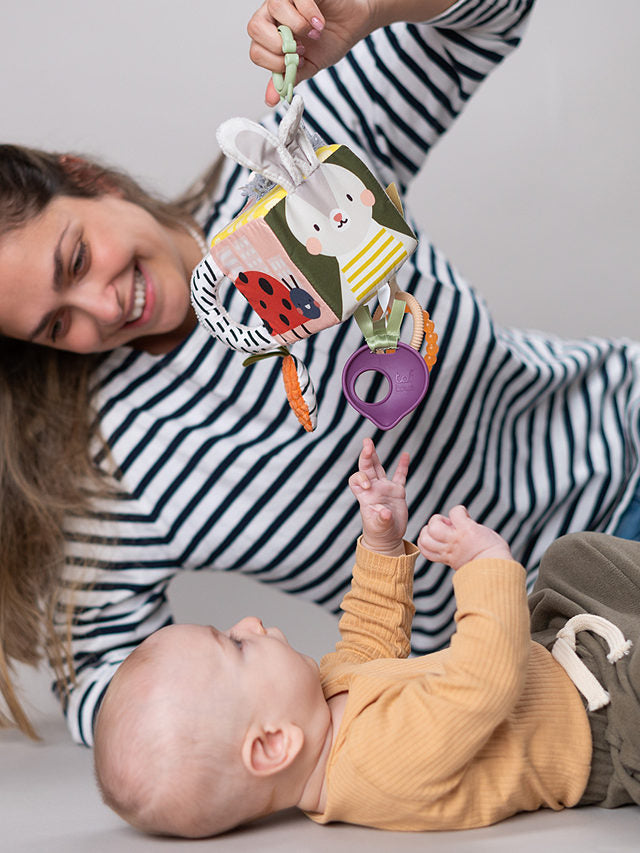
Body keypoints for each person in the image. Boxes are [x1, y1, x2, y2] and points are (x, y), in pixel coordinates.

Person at [2, 0, 640, 747]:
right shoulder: (112, 472)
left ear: (88, 179)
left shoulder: (297, 169)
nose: (102, 307)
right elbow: (100, 683)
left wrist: (371, 10)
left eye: (75, 260)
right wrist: (284, 729)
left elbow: (494, 16)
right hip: (557, 651)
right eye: (56, 324)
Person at [93, 437, 640, 838]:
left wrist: (381, 540)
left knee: (572, 558)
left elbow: (370, 628)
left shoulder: (324, 702)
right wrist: (482, 566)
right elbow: (482, 684)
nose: (249, 624)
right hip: (607, 719)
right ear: (272, 744)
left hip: (565, 655)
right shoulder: (377, 766)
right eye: (234, 645)